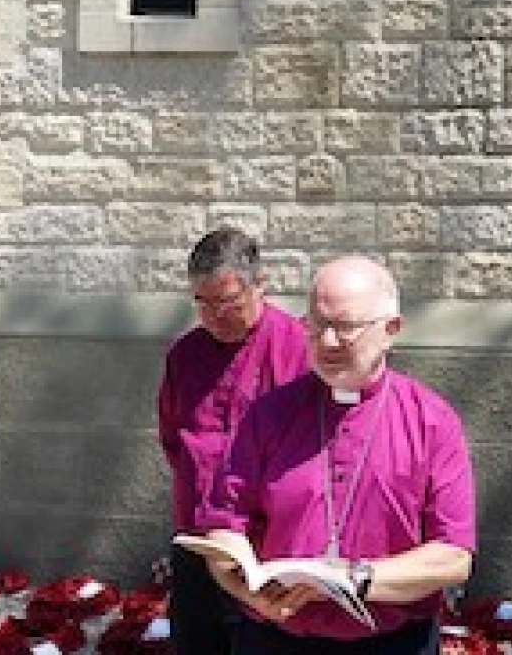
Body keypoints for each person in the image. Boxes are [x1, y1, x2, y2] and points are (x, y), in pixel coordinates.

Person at [198, 255, 476, 654]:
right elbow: (224, 526)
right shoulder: (269, 415)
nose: (327, 342)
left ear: (390, 330)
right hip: (277, 637)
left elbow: (453, 557)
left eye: (345, 328)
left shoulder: (432, 421)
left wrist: (354, 577)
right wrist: (247, 589)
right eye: (317, 325)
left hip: (392, 642)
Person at [158, 226, 310, 655]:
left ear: (260, 285)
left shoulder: (298, 349)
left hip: (268, 543)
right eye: (201, 303)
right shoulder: (184, 355)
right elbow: (173, 436)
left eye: (226, 302)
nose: (212, 317)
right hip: (198, 536)